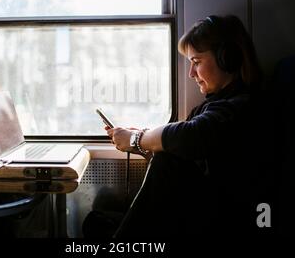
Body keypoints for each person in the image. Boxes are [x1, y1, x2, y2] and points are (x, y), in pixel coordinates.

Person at [97, 14, 265, 238]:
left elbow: (188, 137)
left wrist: (137, 139)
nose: (191, 74)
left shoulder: (242, 107)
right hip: (203, 211)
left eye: (196, 62)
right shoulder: (210, 107)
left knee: (167, 161)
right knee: (96, 222)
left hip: (232, 217)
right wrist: (139, 140)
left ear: (228, 59)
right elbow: (181, 148)